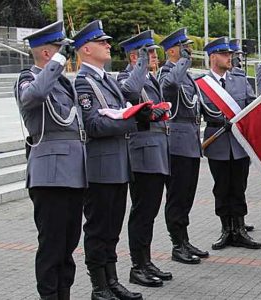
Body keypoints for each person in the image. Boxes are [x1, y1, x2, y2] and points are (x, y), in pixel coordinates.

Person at [72, 20, 143, 299]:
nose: (108, 45)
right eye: (102, 42)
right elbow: (93, 125)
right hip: (100, 168)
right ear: (86, 49)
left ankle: (112, 280)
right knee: (98, 228)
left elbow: (120, 112)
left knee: (113, 228)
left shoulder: (107, 80)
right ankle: (99, 285)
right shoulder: (83, 83)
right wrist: (133, 122)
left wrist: (139, 115)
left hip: (118, 166)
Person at [17, 21, 87, 300]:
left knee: (68, 247)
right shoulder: (28, 78)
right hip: (50, 175)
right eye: (60, 49)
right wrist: (59, 62)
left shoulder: (62, 84)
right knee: (52, 247)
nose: (66, 54)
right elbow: (32, 97)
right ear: (48, 54)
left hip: (74, 173)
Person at [117, 30, 174, 293]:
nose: (154, 56)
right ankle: (137, 266)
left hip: (157, 150)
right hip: (142, 153)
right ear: (134, 56)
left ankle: (146, 261)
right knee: (142, 212)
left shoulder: (150, 77)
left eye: (152, 52)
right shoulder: (126, 77)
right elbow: (130, 93)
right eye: (148, 53)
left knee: (150, 212)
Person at [200, 37, 261, 250]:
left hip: (239, 143)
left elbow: (252, 106)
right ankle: (226, 229)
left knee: (239, 187)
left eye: (230, 54)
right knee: (221, 188)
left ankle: (240, 229)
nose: (230, 58)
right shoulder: (201, 84)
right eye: (225, 54)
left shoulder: (240, 79)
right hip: (216, 142)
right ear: (213, 57)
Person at [158, 28, 205, 267]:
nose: (189, 50)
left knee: (187, 195)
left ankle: (185, 239)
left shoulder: (185, 74)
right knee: (177, 196)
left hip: (191, 139)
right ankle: (177, 243)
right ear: (173, 50)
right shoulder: (168, 72)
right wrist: (184, 61)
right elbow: (170, 87)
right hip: (176, 141)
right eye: (184, 47)